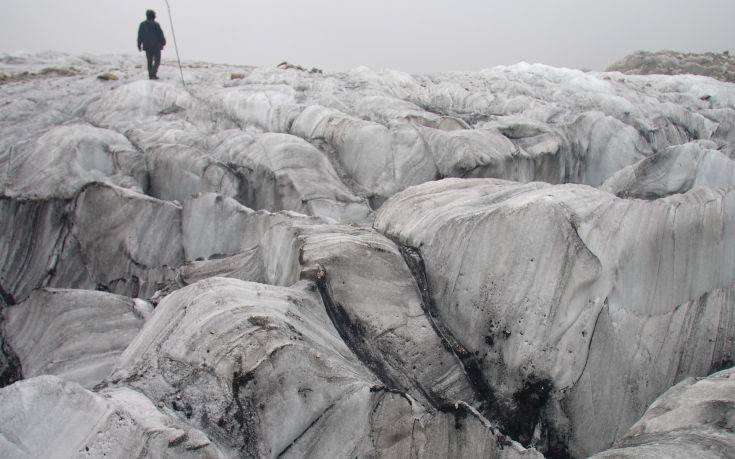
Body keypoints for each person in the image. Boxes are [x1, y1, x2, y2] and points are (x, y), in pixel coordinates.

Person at [137, 10, 166, 80]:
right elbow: (160, 35)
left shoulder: (142, 24)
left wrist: (139, 44)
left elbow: (139, 36)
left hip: (147, 46)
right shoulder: (156, 24)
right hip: (156, 46)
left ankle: (151, 75)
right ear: (153, 16)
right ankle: (153, 74)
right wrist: (163, 42)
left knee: (149, 61)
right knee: (157, 61)